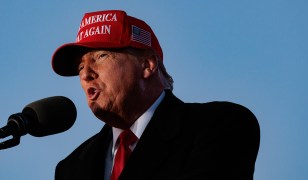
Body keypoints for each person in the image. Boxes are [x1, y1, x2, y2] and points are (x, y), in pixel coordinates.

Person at [51, 10, 260, 180]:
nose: (86, 74)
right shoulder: (70, 169)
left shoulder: (219, 125)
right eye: (80, 67)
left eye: (102, 56)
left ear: (147, 64)